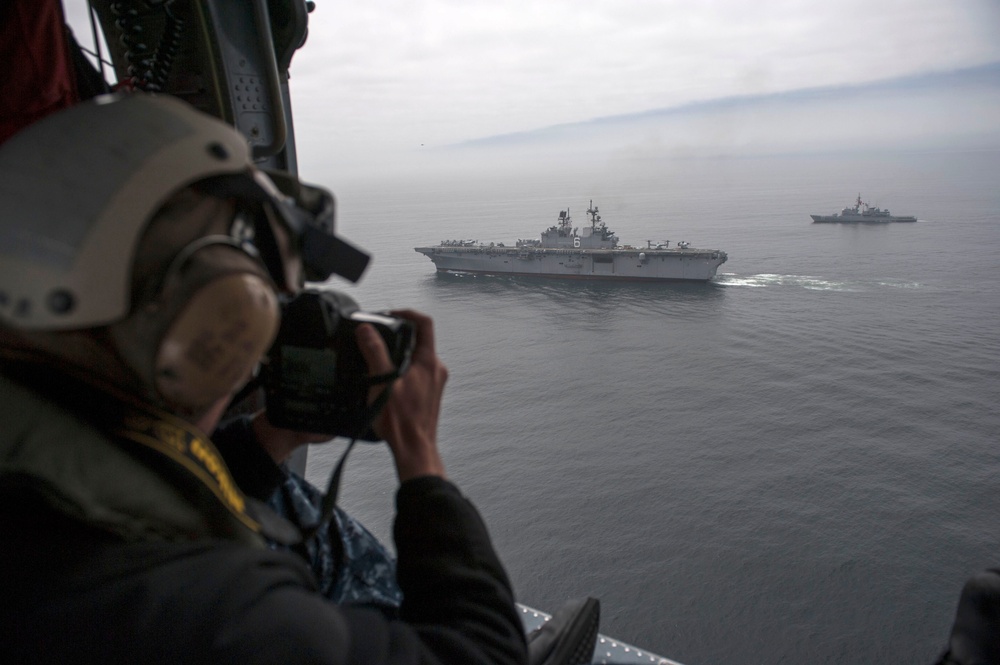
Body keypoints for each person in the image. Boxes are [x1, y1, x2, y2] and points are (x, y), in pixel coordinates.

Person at [0, 92, 527, 665]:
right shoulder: (218, 611)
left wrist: (275, 434)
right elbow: (489, 657)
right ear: (218, 320)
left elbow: (118, 478)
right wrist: (420, 458)